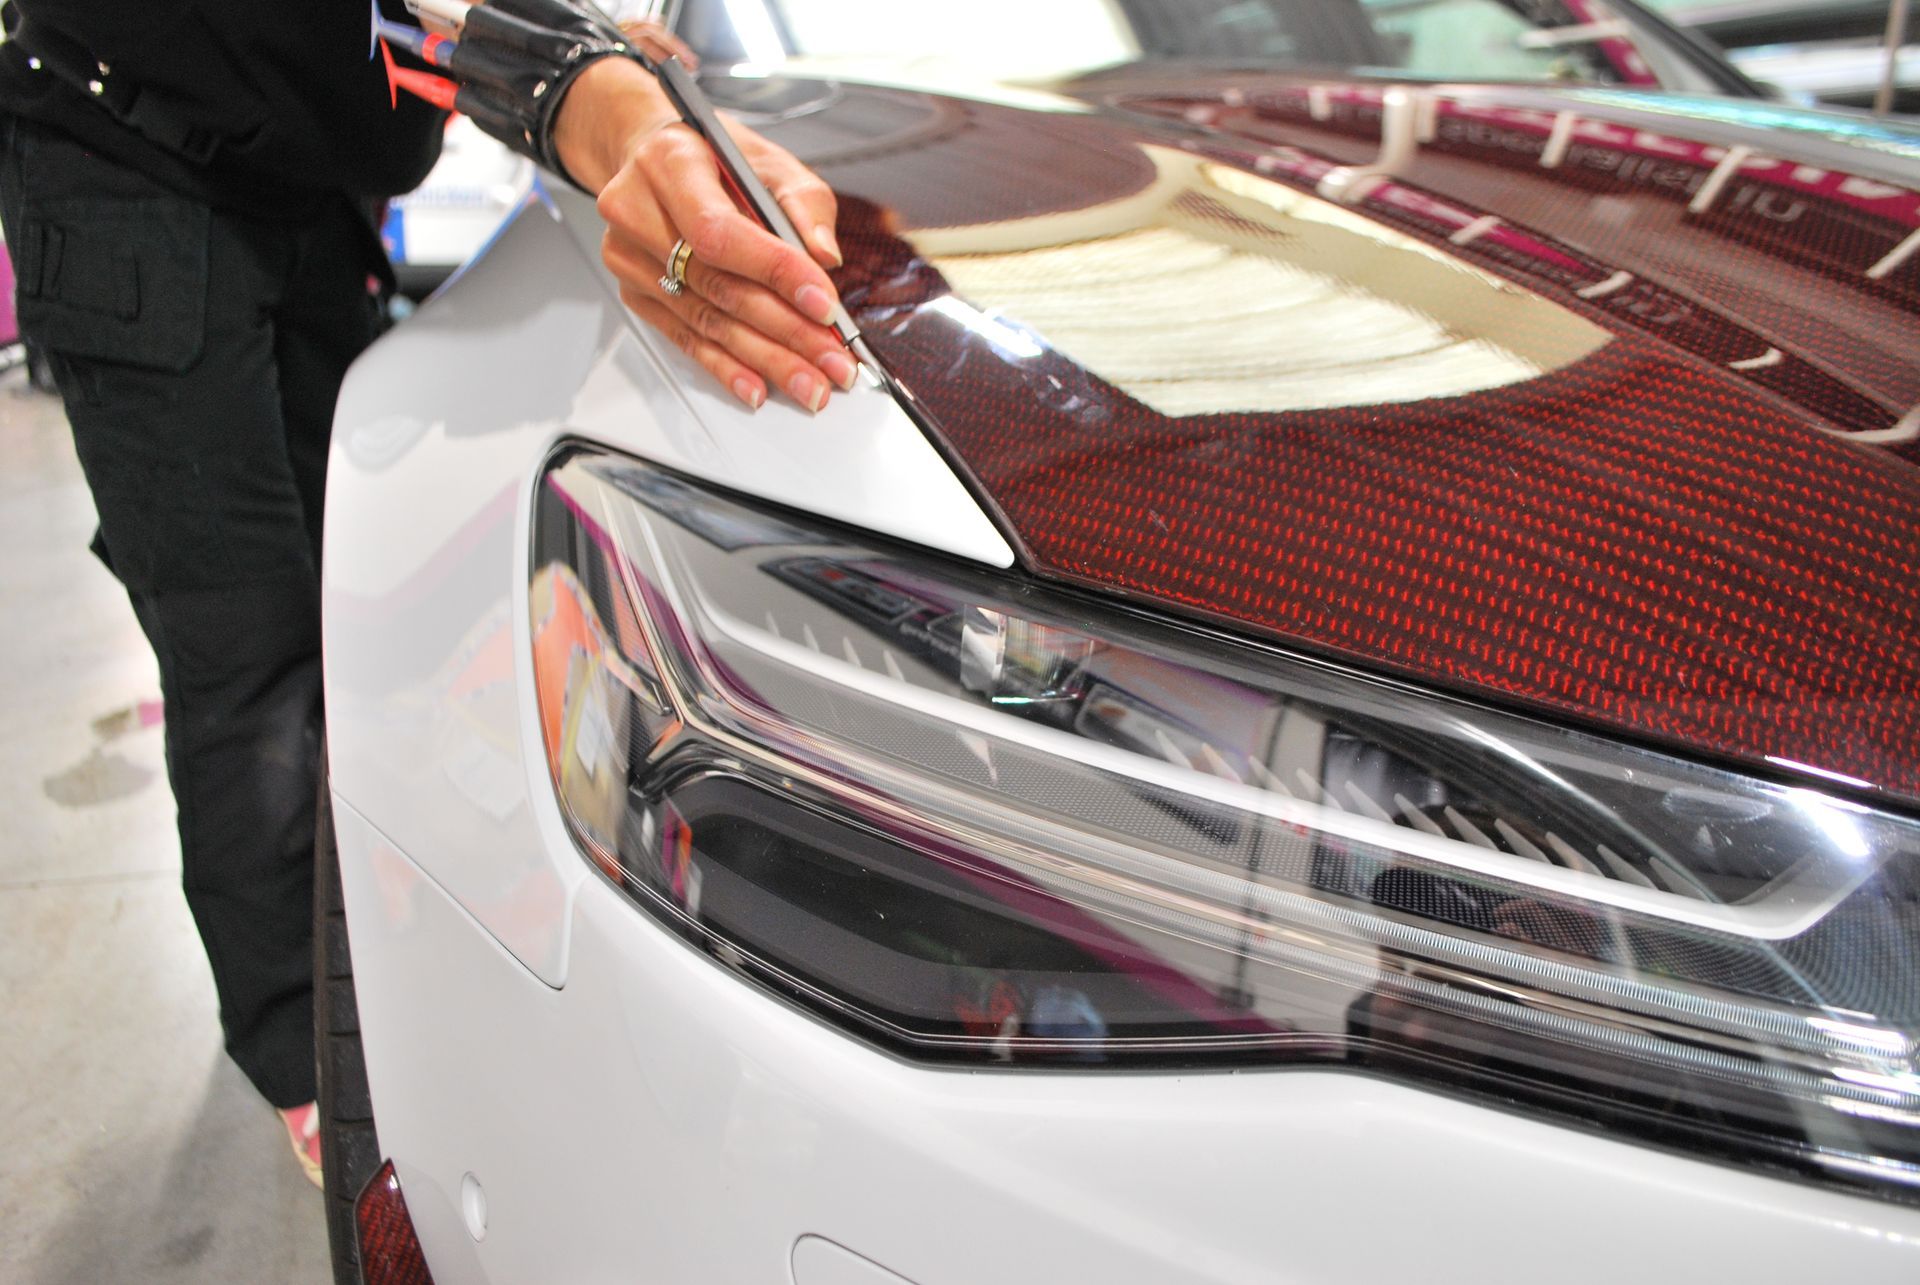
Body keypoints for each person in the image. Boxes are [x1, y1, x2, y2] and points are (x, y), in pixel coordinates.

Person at [0, 0, 850, 1185]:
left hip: (299, 192)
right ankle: (302, 1054)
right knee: (242, 644)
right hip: (133, 168)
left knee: (353, 618)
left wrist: (584, 43)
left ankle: (357, 951)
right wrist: (584, 79)